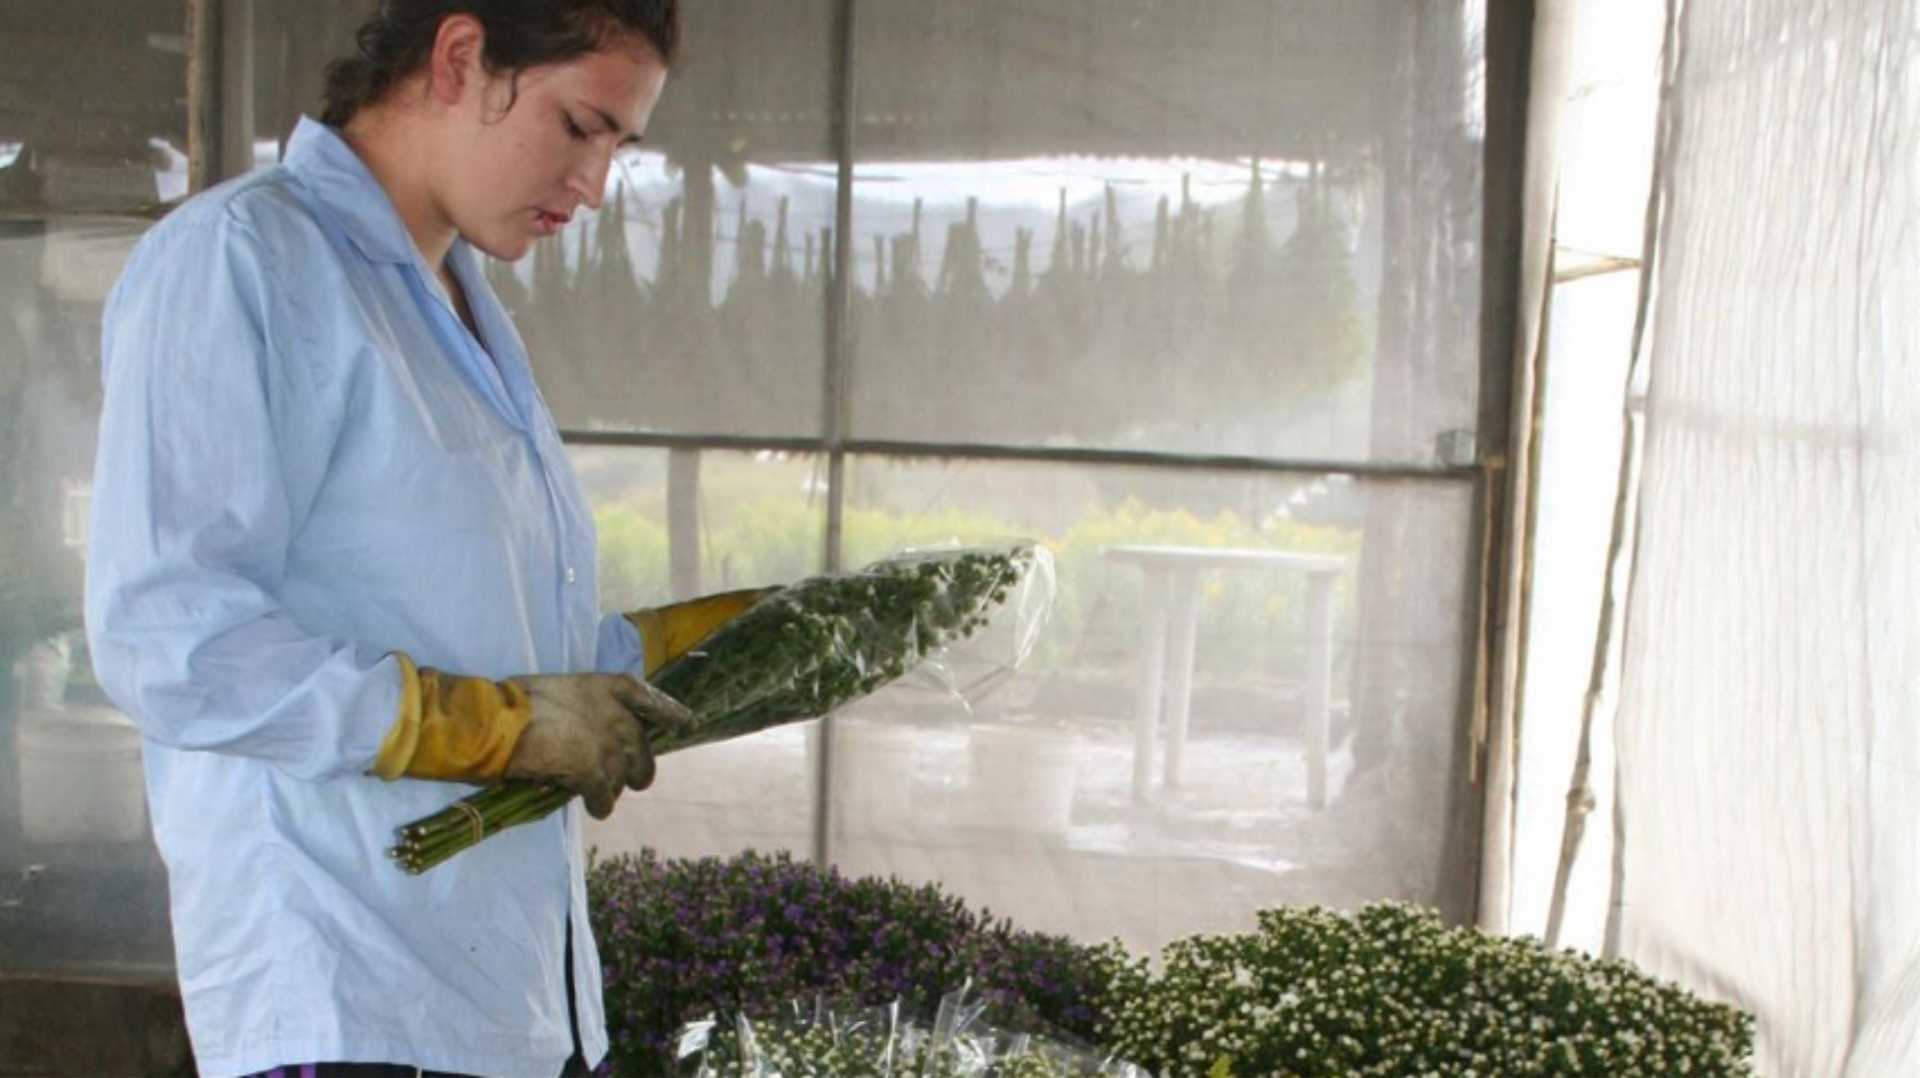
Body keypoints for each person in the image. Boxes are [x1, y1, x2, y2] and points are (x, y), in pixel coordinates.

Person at [84, 3, 766, 1075]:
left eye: (617, 147)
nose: (593, 186)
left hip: (489, 993)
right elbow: (176, 640)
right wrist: (477, 726)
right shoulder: (245, 261)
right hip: (344, 988)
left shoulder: (450, 299)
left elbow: (477, 619)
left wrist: (729, 652)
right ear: (461, 58)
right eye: (580, 126)